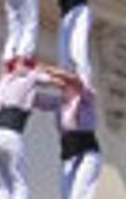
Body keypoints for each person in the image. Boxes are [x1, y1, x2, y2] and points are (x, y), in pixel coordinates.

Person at [0, 63, 60, 199]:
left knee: (2, 183)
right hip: (10, 135)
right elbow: (44, 80)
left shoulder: (4, 85)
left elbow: (46, 102)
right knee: (19, 183)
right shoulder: (26, 80)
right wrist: (61, 80)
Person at [40, 65, 102, 199]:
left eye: (66, 86)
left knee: (79, 193)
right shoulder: (59, 104)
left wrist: (55, 72)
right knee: (66, 194)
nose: (62, 89)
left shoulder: (85, 99)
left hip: (87, 152)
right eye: (62, 88)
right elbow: (36, 99)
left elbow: (78, 82)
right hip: (69, 153)